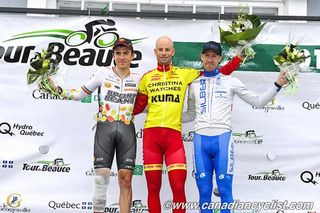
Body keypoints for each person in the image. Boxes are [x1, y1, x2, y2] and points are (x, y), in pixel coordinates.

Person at [133, 36, 243, 213]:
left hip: (173, 138)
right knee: (153, 188)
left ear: (173, 52)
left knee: (178, 187)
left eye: (167, 49)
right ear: (155, 52)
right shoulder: (146, 77)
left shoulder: (185, 74)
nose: (164, 53)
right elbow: (137, 107)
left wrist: (239, 59)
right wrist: (117, 112)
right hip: (151, 137)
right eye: (160, 49)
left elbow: (217, 72)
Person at [182, 41, 288, 213]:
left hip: (222, 139)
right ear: (201, 57)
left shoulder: (230, 81)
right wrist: (158, 114)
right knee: (204, 192)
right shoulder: (193, 83)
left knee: (225, 191)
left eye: (214, 56)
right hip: (200, 140)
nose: (210, 59)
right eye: (207, 55)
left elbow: (258, 101)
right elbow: (190, 114)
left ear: (220, 58)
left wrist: (278, 84)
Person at [50, 38, 140, 213]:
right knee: (101, 178)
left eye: (126, 53)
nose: (122, 57)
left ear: (132, 56)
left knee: (126, 179)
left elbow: (147, 104)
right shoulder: (102, 73)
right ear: (113, 55)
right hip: (104, 130)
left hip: (127, 131)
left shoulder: (138, 78)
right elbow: (79, 94)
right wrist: (57, 90)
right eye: (118, 53)